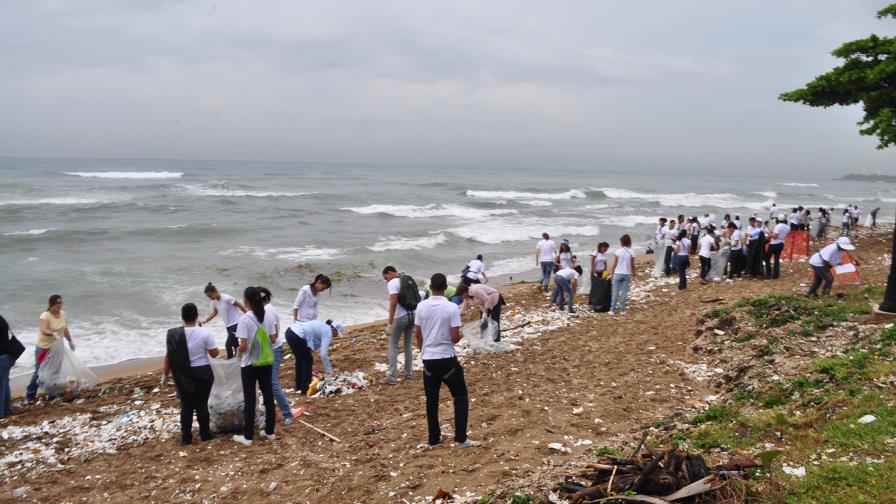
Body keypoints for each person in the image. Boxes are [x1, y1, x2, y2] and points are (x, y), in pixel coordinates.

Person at [414, 273, 477, 448]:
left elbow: (418, 334)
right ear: (445, 287)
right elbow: (455, 337)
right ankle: (461, 438)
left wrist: (424, 352)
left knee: (432, 400)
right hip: (446, 358)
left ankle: (434, 438)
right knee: (460, 396)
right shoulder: (451, 307)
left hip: (429, 359)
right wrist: (458, 336)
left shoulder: (421, 307)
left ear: (430, 287)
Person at [162, 303, 219, 445]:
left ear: (182, 317)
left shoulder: (175, 335)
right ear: (196, 316)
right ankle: (205, 434)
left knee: (186, 405)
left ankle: (186, 437)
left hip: (183, 374)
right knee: (202, 404)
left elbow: (168, 357)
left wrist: (165, 375)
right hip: (203, 372)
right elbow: (215, 353)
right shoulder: (205, 332)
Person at [232, 287, 278, 447]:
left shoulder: (244, 319)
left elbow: (243, 346)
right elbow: (273, 339)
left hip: (249, 364)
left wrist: (238, 351)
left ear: (246, 301)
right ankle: (270, 432)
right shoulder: (268, 315)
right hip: (266, 362)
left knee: (250, 399)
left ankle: (248, 437)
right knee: (268, 396)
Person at [26, 295, 75, 402]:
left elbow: (65, 329)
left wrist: (70, 341)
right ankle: (29, 396)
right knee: (39, 372)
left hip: (57, 348)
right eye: (57, 303)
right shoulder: (45, 315)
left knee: (55, 372)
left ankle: (52, 394)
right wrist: (53, 334)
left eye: (61, 303)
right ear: (51, 304)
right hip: (44, 348)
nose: (59, 305)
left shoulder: (63, 314)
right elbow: (43, 329)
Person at [260, 287, 294, 426]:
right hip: (269, 350)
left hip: (273, 350)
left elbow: (273, 337)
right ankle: (269, 414)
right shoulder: (267, 309)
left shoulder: (267, 311)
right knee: (265, 384)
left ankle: (288, 414)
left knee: (273, 384)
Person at [284, 319, 344, 395]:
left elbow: (312, 344)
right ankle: (305, 389)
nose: (336, 336)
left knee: (300, 360)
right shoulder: (328, 332)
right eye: (337, 333)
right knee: (307, 360)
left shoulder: (322, 326)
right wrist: (330, 372)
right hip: (297, 335)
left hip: (290, 331)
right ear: (334, 329)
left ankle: (299, 386)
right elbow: (323, 354)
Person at [382, 266, 414, 384]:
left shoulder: (393, 282)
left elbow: (393, 303)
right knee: (407, 344)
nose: (386, 281)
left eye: (386, 278)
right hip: (413, 314)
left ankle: (392, 375)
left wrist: (390, 323)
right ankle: (408, 373)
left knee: (393, 345)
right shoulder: (406, 278)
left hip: (401, 316)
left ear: (390, 273)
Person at [202, 283, 247, 360]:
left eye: (211, 296)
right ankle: (238, 360)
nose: (211, 298)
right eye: (209, 297)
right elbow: (215, 313)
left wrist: (247, 314)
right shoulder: (214, 302)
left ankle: (230, 359)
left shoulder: (226, 298)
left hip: (236, 323)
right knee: (235, 344)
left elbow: (238, 305)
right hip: (228, 325)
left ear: (215, 291)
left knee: (228, 344)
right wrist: (206, 320)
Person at [0, 315, 23, 419]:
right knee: (4, 383)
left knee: (1, 384)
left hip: (3, 357)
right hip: (8, 356)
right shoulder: (1, 319)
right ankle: (7, 408)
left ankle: (1, 412)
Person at [609, 234, 636, 315]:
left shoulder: (618, 251)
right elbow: (632, 265)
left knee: (615, 292)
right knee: (624, 292)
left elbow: (614, 264)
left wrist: (612, 273)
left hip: (618, 273)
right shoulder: (632, 252)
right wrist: (634, 273)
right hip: (627, 274)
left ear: (622, 242)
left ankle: (612, 310)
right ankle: (622, 310)